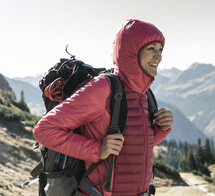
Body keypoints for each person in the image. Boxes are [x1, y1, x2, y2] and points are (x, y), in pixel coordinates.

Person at [33, 19, 174, 196]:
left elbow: (132, 148)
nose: (158, 56)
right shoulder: (103, 88)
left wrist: (161, 130)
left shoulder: (144, 94)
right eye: (151, 49)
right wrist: (97, 150)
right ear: (132, 51)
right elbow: (44, 130)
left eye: (160, 49)